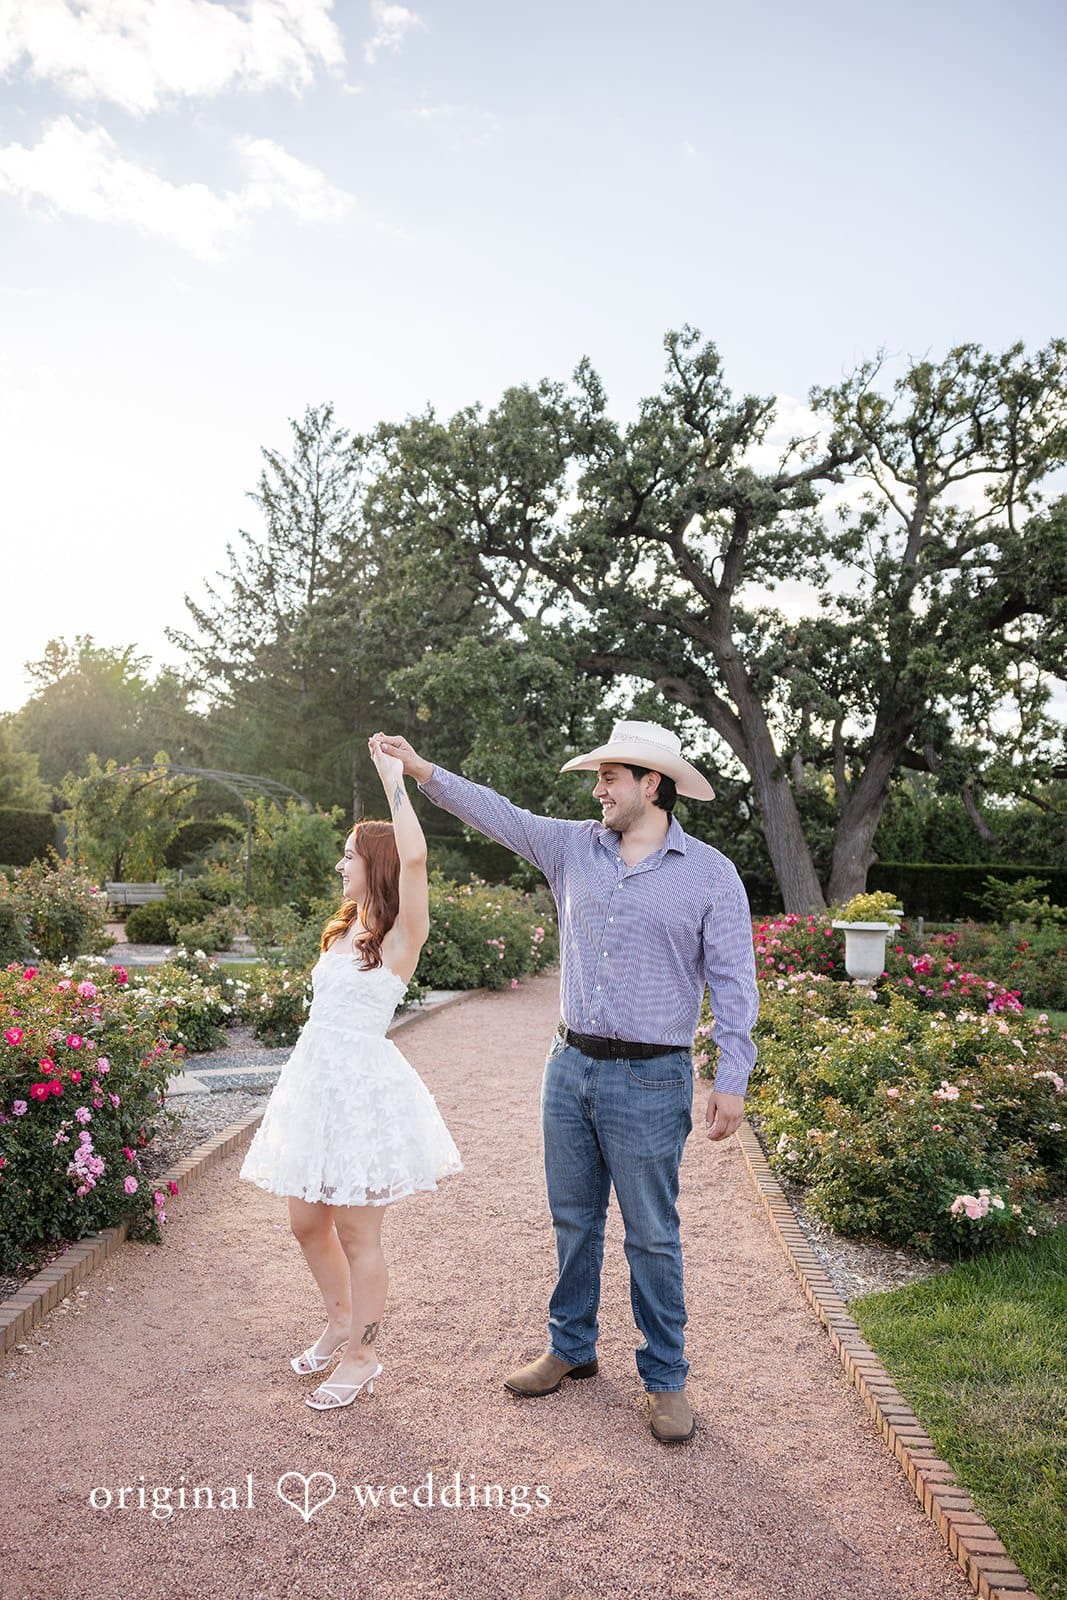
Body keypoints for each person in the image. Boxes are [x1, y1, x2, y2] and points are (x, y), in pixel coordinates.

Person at [377, 720, 758, 1445]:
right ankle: (571, 1347)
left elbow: (735, 982)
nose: (598, 791)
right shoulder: (571, 847)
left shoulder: (710, 874)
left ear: (651, 783)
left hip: (652, 1077)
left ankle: (665, 1379)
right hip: (569, 1067)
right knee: (573, 1219)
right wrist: (422, 769)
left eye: (609, 778)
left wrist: (731, 1076)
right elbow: (497, 813)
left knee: (652, 1235)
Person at [239, 734, 462, 1412]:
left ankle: (364, 1354)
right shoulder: (342, 930)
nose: (340, 864)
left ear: (376, 865)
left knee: (359, 1234)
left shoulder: (400, 939)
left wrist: (394, 777)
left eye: (349, 855)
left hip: (363, 1093)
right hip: (314, 1087)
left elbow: (416, 857)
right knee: (306, 1222)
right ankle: (338, 1321)